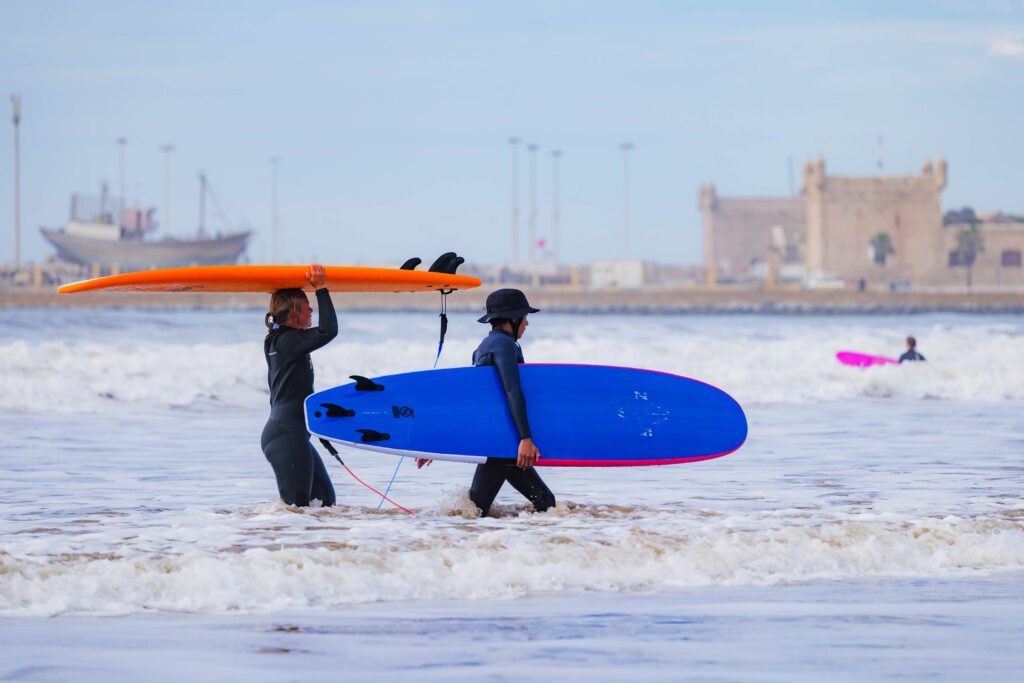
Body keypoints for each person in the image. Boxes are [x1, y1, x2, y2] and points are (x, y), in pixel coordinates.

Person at [444, 288, 556, 516]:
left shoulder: (482, 348)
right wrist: (525, 438)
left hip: (502, 442)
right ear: (513, 319)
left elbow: (474, 403)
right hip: (503, 443)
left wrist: (439, 443)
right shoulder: (504, 345)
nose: (526, 323)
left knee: (545, 502)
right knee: (476, 511)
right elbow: (512, 390)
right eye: (524, 317)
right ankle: (447, 540)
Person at [260, 263, 339, 507]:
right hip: (287, 435)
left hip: (291, 434)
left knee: (326, 503)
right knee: (297, 509)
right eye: (307, 305)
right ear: (294, 313)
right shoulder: (286, 341)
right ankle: (278, 543)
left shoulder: (280, 340)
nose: (312, 309)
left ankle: (310, 543)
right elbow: (329, 331)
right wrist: (322, 289)